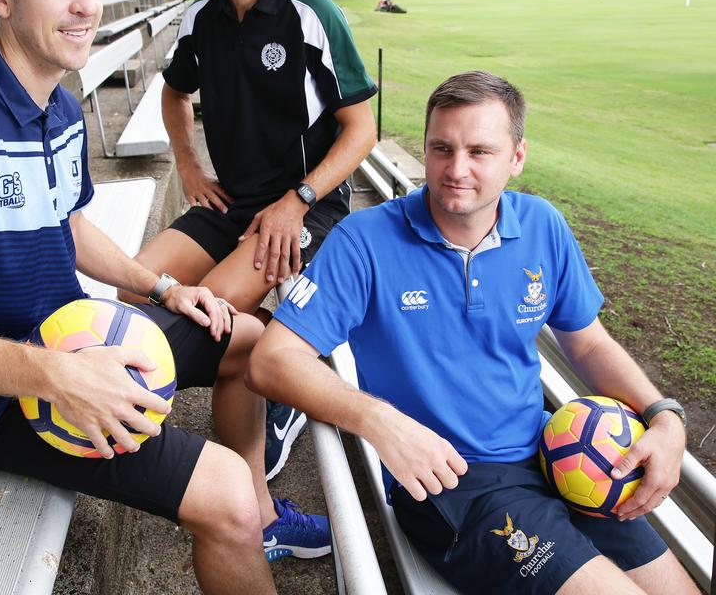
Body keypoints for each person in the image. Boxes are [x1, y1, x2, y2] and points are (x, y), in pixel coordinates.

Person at [0, 0, 332, 592]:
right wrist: (56, 375)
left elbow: (69, 224)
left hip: (75, 339)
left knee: (254, 341)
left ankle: (265, 515)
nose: (85, 4)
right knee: (222, 496)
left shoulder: (59, 101)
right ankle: (246, 515)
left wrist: (166, 289)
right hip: (5, 400)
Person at [247, 71, 699, 594]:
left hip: (559, 453)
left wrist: (664, 415)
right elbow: (271, 359)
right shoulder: (365, 240)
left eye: (480, 151)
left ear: (517, 157)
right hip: (452, 484)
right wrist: (378, 421)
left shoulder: (543, 225)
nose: (455, 170)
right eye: (441, 148)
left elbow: (589, 342)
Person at [120, 0, 378, 480]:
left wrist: (299, 199)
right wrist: (188, 166)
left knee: (203, 317)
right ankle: (282, 355)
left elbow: (361, 130)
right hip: (231, 203)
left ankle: (283, 364)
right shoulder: (199, 20)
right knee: (132, 293)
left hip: (305, 206)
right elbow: (175, 95)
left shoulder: (311, 12)